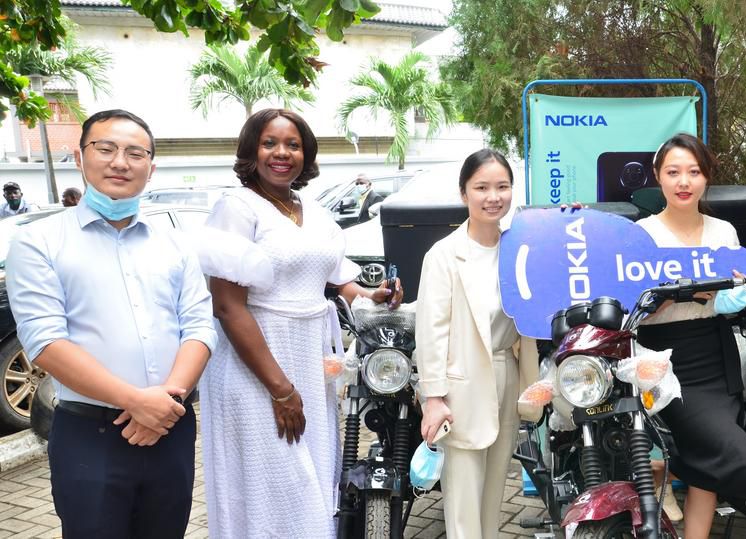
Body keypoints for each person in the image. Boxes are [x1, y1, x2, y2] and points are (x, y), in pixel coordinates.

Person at [5, 109, 216, 538]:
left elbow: (199, 326)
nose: (120, 162)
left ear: (150, 168)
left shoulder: (174, 245)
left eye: (135, 153)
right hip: (90, 436)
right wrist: (137, 402)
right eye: (106, 148)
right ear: (80, 158)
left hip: (170, 429)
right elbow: (46, 341)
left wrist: (165, 401)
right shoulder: (38, 242)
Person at [198, 108, 403, 538]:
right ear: (251, 149)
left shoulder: (310, 208)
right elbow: (228, 307)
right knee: (272, 487)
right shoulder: (236, 208)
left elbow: (333, 279)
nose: (281, 153)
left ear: (306, 153)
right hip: (256, 366)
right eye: (270, 142)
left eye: (292, 144)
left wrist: (371, 296)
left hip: (309, 363)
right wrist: (281, 388)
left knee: (310, 480)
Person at [635, 133, 746, 539]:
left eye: (693, 172)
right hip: (664, 361)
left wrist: (733, 298)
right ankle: (663, 467)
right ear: (658, 177)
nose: (684, 182)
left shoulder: (723, 231)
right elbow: (634, 308)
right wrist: (693, 293)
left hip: (716, 354)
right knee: (733, 456)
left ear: (706, 177)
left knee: (706, 472)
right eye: (673, 172)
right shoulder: (640, 235)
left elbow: (731, 292)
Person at [416, 149, 539, 538]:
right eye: (481, 187)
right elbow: (431, 330)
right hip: (461, 383)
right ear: (463, 193)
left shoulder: (517, 250)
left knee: (493, 493)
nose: (493, 197)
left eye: (502, 187)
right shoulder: (445, 255)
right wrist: (434, 398)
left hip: (506, 375)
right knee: (464, 498)